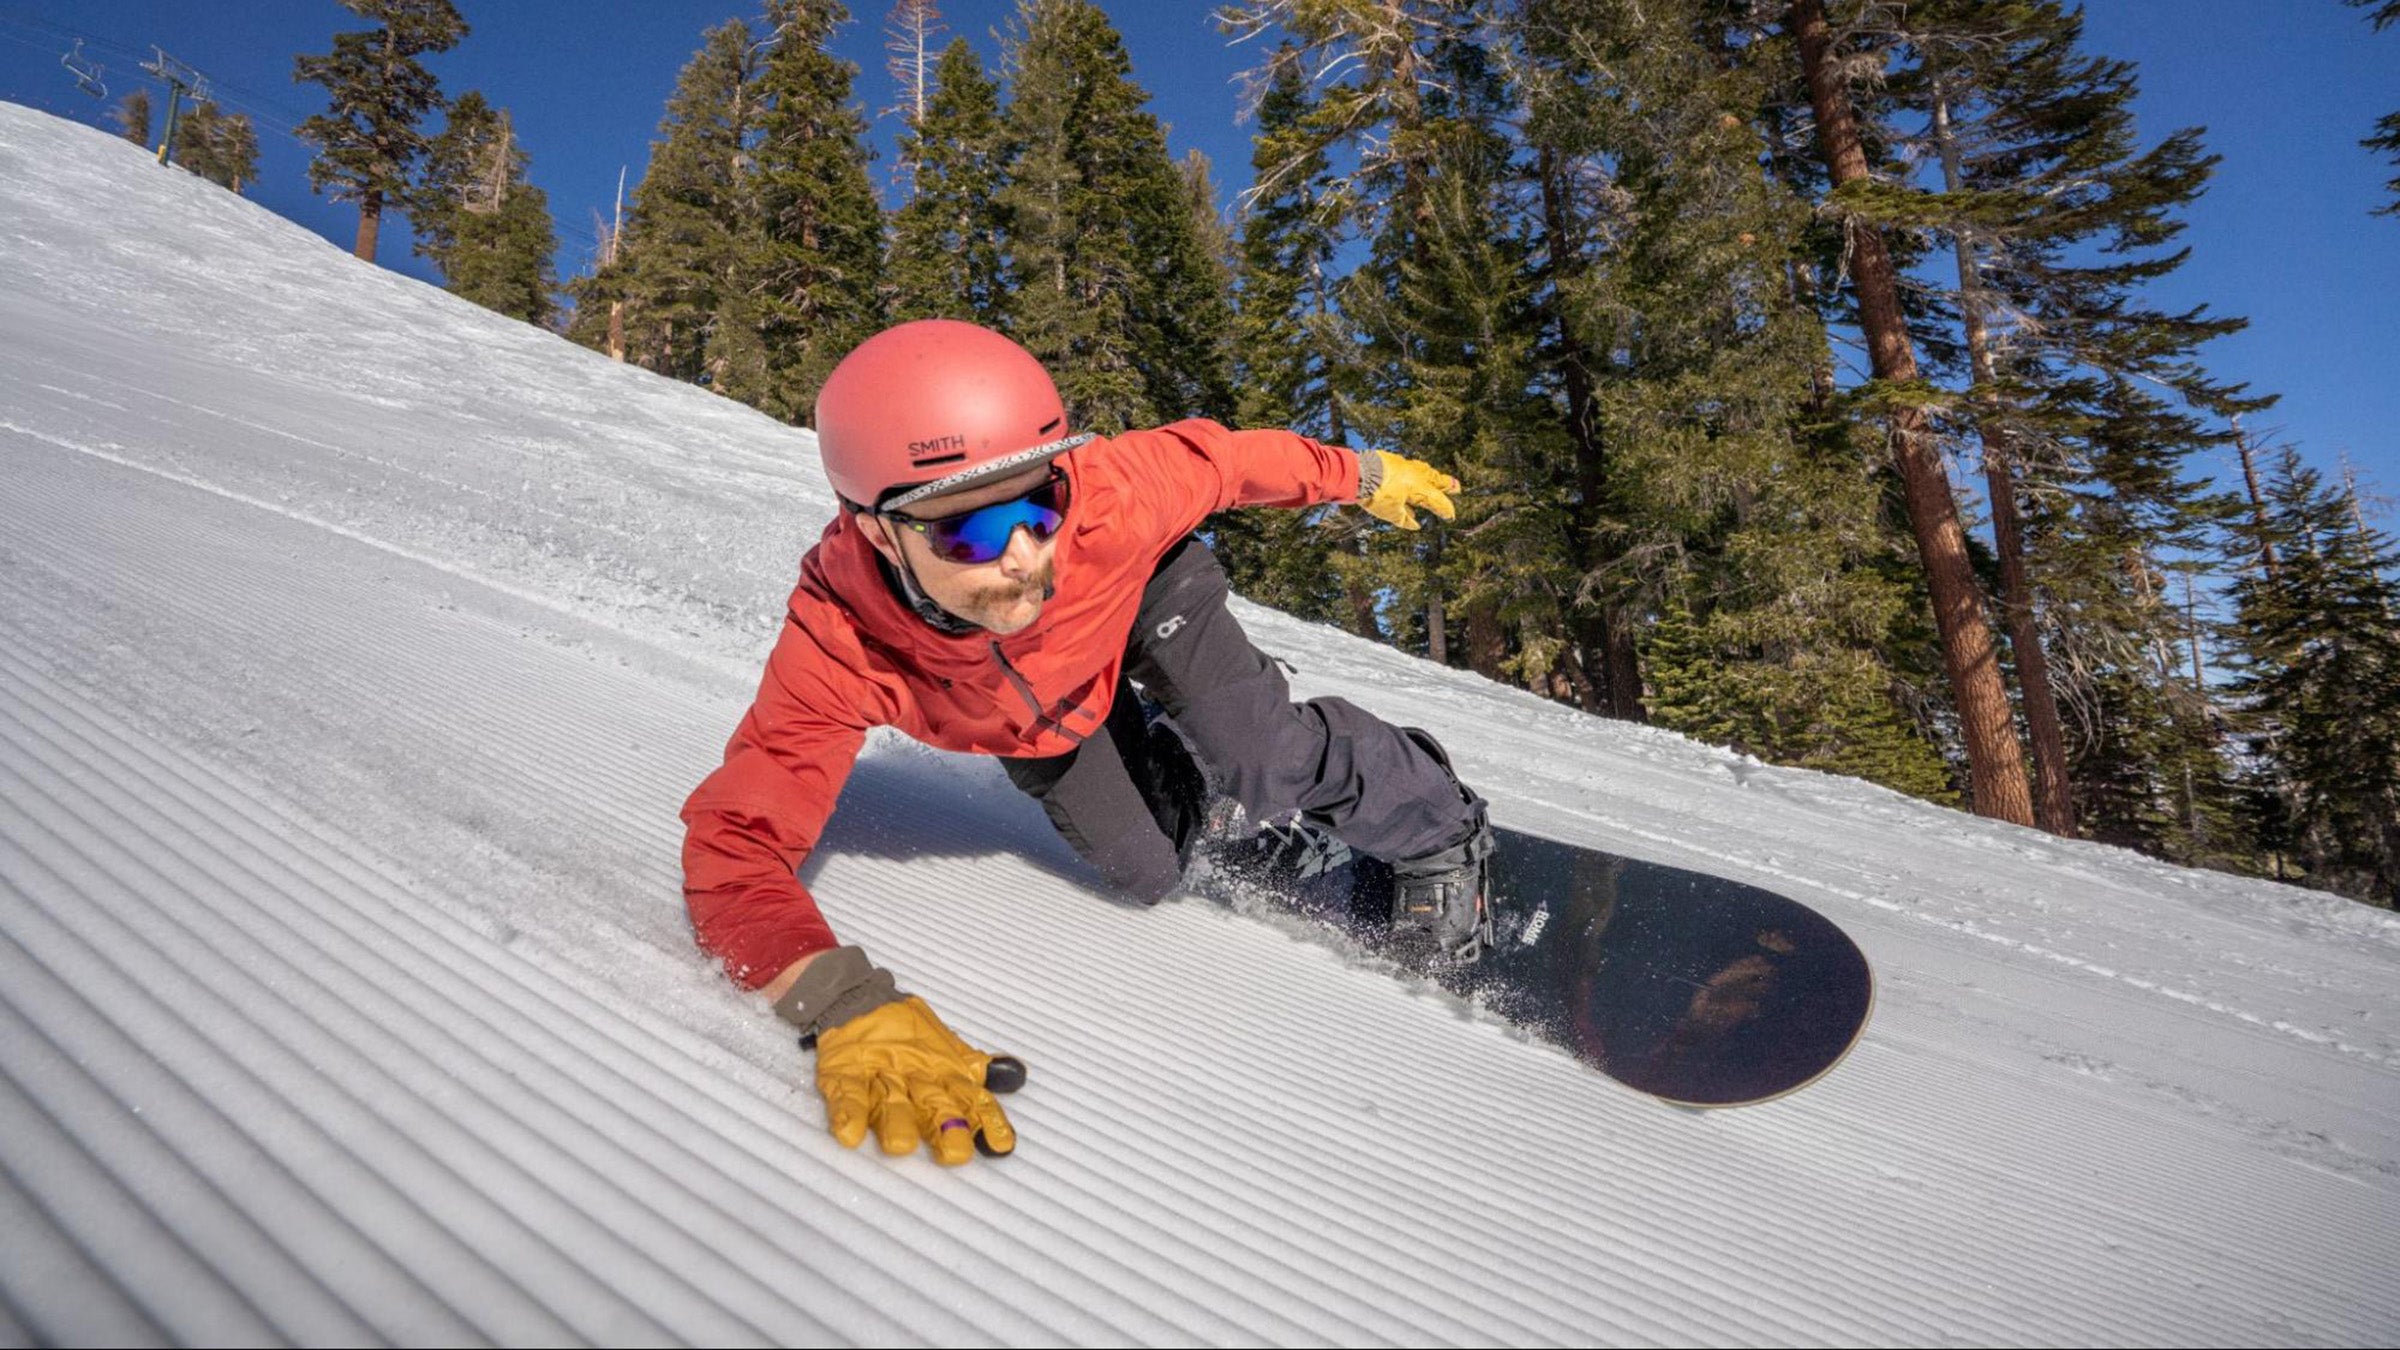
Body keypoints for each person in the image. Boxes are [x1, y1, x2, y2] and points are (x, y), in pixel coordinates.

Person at [680, 319, 1498, 1166]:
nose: (1025, 557)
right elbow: (735, 848)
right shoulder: (838, 639)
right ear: (879, 531)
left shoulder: (1110, 497)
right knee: (1150, 870)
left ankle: (1436, 820)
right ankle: (1193, 772)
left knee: (1263, 754)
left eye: (1040, 505)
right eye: (968, 533)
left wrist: (1361, 475)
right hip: (1039, 717)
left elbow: (1227, 460)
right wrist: (840, 1003)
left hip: (1139, 596)